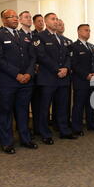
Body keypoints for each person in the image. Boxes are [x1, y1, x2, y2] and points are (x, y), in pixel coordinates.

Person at [0, 9, 38, 154]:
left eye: (16, 17)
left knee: (23, 111)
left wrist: (29, 74)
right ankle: (7, 142)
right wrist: (16, 74)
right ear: (4, 20)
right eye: (11, 17)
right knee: (5, 112)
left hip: (26, 81)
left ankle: (25, 139)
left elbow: (32, 57)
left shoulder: (23, 35)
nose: (15, 19)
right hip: (8, 82)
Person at [33, 13, 76, 144]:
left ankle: (64, 131)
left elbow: (69, 56)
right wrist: (58, 69)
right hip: (48, 78)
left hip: (63, 78)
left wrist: (66, 69)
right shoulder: (39, 36)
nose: (56, 21)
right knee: (45, 107)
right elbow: (41, 56)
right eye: (53, 19)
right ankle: (45, 133)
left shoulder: (62, 39)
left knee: (62, 106)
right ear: (46, 22)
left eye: (57, 19)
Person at [71, 24, 94, 136]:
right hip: (81, 80)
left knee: (91, 103)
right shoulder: (73, 46)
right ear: (79, 32)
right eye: (86, 30)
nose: (88, 32)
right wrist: (86, 75)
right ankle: (76, 128)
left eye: (89, 30)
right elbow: (74, 64)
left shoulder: (92, 46)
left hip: (93, 79)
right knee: (79, 105)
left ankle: (91, 124)